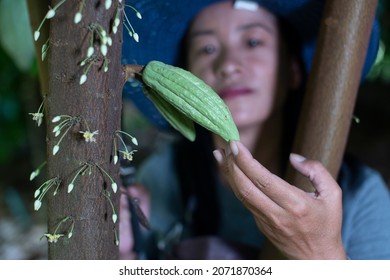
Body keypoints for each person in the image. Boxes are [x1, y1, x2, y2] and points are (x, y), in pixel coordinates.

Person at [120, 0, 390, 260]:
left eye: (252, 42)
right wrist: (127, 253)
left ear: (293, 69)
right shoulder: (162, 179)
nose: (227, 65)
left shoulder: (361, 196)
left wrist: (322, 255)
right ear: (186, 71)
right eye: (207, 49)